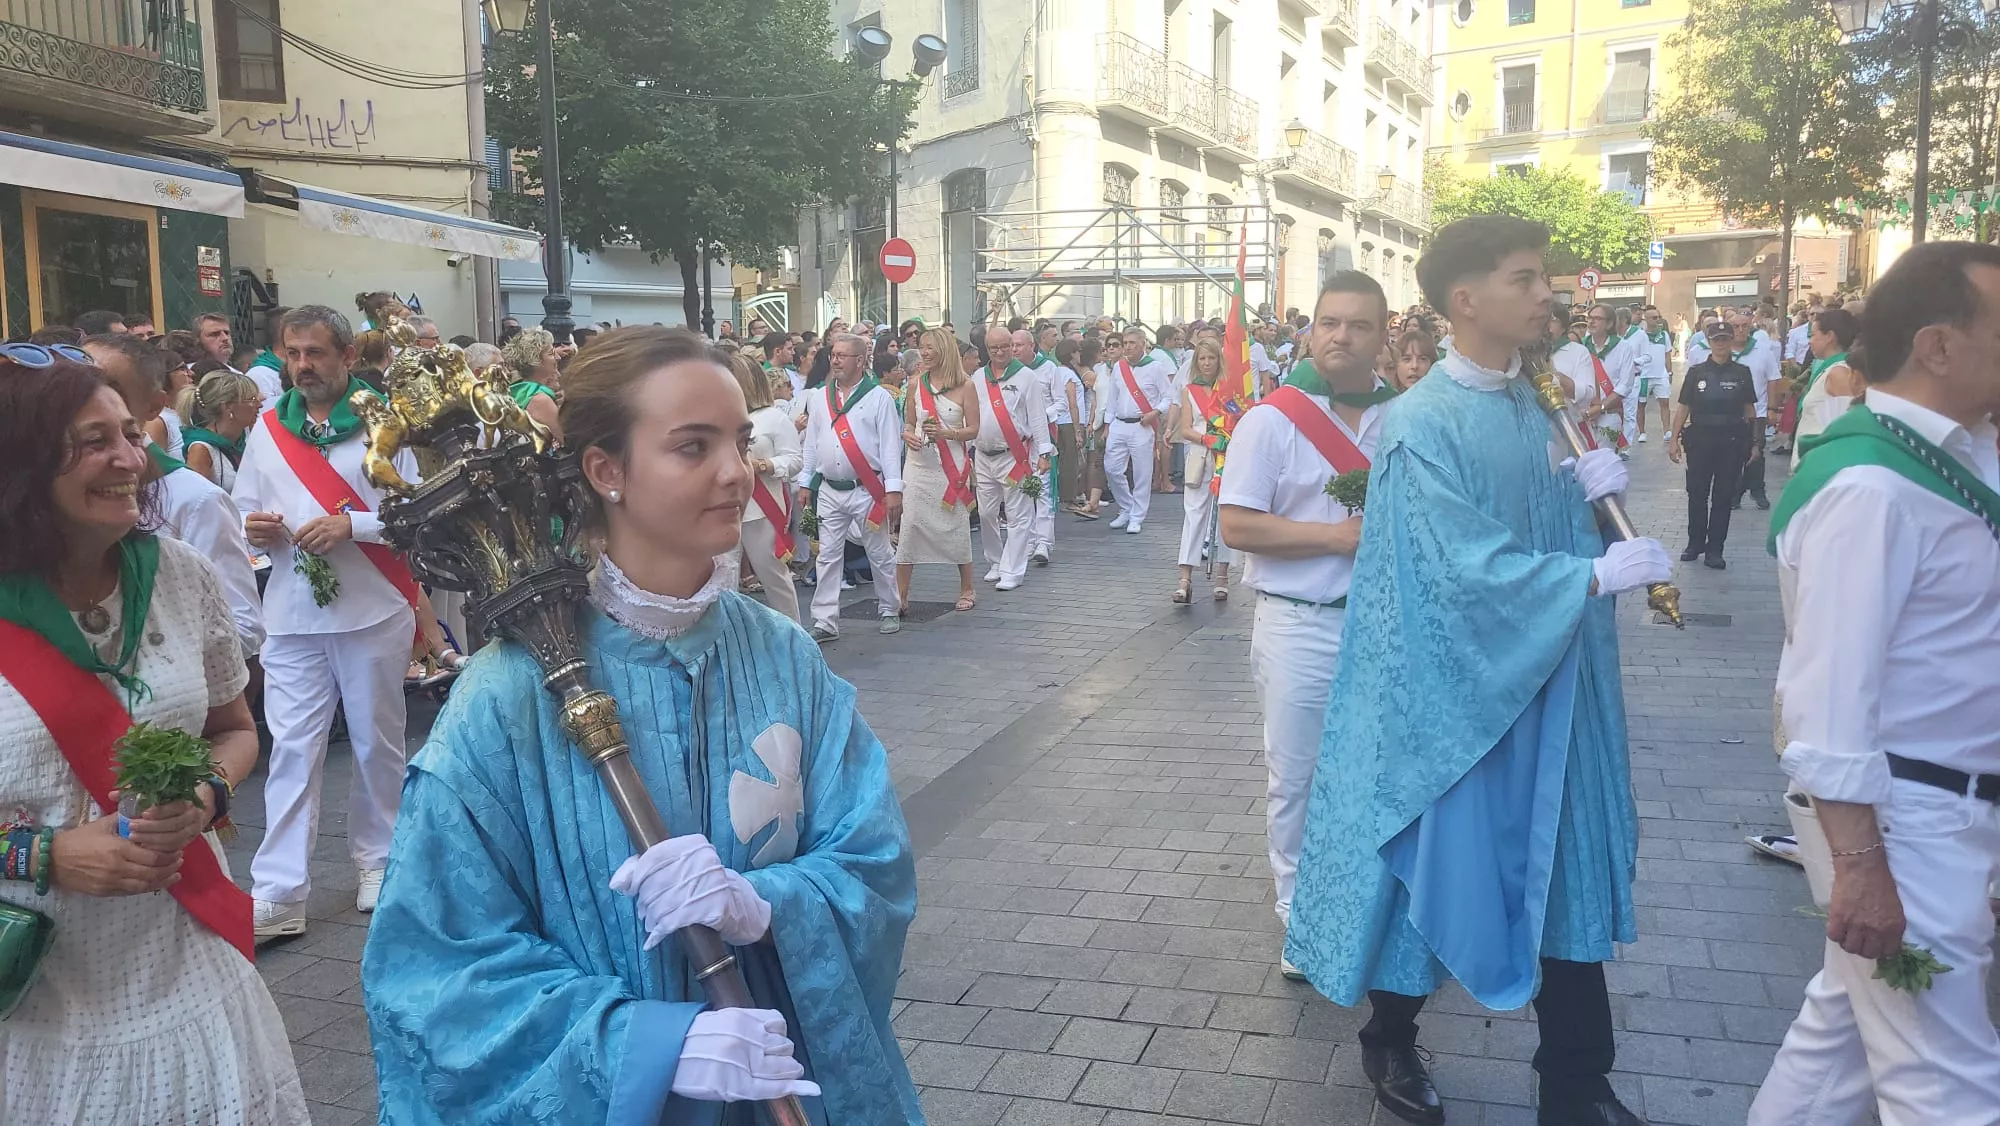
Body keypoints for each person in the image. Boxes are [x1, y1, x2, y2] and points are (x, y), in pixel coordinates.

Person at [362, 326, 923, 1123]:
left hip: (779, 1071)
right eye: (693, 447)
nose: (736, 471)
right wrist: (644, 1045)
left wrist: (764, 902)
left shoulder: (783, 655)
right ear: (605, 471)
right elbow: (432, 967)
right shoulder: (504, 697)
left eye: (738, 440)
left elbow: (874, 857)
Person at [1285, 217, 1670, 1126]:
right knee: (1442, 870)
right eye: (1524, 278)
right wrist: (1587, 577)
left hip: (1551, 678)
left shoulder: (1540, 399)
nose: (1546, 294)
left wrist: (1593, 502)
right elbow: (1450, 570)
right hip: (1458, 695)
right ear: (1465, 300)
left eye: (1544, 277)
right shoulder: (1422, 423)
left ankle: (1576, 1083)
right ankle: (1390, 1036)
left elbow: (1541, 525)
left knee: (1561, 864)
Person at [0, 349, 307, 1123]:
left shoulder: (179, 572)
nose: (131, 460)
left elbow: (235, 730)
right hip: (34, 999)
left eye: (131, 435)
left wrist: (207, 793)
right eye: (92, 442)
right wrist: (45, 855)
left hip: (191, 962)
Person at [1749, 240, 2000, 1126]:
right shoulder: (1872, 486)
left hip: (1939, 809)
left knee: (1835, 1062)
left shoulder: (1957, 456)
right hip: (1907, 821)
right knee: (1950, 1093)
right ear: (1939, 346)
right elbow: (1829, 701)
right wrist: (1860, 866)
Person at [1219, 274, 1392, 973]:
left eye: (1358, 325)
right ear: (1311, 330)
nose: (1340, 336)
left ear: (1383, 335)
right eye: (1329, 323)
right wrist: (1333, 538)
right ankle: (1301, 912)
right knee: (1297, 777)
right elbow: (1236, 525)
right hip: (1300, 625)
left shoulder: (1404, 417)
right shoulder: (1271, 421)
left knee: (1379, 772)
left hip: (1386, 627)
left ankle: (1371, 904)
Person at [233, 306, 421, 938]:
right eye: (293, 354)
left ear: (347, 355)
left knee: (376, 741)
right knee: (292, 749)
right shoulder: (268, 426)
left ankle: (379, 859)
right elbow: (243, 506)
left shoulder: (384, 418)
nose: (302, 365)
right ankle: (279, 892)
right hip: (292, 612)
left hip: (372, 606)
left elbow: (417, 511)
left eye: (314, 353)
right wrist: (256, 528)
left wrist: (352, 525)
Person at [85, 335, 264, 663]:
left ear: (154, 406)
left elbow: (243, 627)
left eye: (111, 388)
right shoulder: (49, 489)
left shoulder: (194, 499)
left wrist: (152, 668)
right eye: (76, 384)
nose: (89, 399)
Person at [795, 333, 903, 642]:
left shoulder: (879, 397)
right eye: (834, 355)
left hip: (867, 488)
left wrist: (893, 489)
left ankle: (889, 608)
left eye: (843, 355)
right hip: (830, 489)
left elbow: (890, 447)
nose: (836, 360)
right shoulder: (820, 397)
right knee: (828, 556)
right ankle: (825, 621)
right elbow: (812, 443)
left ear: (860, 360)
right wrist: (806, 481)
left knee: (879, 551)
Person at [898, 327, 981, 613]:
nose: (924, 352)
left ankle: (967, 587)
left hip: (950, 467)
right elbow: (910, 423)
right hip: (918, 467)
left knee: (956, 524)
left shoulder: (966, 386)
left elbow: (974, 429)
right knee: (910, 524)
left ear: (944, 350)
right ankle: (901, 594)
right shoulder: (915, 384)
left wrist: (948, 434)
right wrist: (907, 434)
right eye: (922, 347)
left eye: (930, 347)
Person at [1666, 323, 1757, 570]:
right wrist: (1673, 440)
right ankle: (1695, 543)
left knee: (1723, 496)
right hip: (1700, 440)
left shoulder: (1742, 373)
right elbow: (1683, 407)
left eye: (1725, 339)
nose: (1721, 344)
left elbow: (1750, 410)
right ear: (1709, 342)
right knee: (1697, 494)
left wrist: (1755, 443)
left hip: (1731, 441)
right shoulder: (1696, 373)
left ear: (1731, 341)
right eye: (1716, 339)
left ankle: (1715, 549)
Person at [968, 329, 1051, 591]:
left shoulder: (1027, 377)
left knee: (1018, 515)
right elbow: (970, 414)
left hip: (1014, 455)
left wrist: (1044, 453)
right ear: (987, 350)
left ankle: (1012, 571)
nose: (1000, 352)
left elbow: (1037, 417)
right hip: (983, 454)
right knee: (986, 512)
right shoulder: (978, 377)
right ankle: (995, 560)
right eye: (994, 348)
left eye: (1005, 346)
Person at [726, 353, 803, 624]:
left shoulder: (773, 418)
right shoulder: (721, 416)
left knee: (773, 576)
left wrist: (765, 465)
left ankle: (793, 633)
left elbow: (794, 460)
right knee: (722, 577)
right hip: (724, 505)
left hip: (761, 507)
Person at [1174, 339, 1234, 604]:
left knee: (1225, 514)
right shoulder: (1189, 391)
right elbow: (1186, 428)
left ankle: (1223, 575)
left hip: (1226, 457)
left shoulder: (1229, 392)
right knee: (1194, 514)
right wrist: (1206, 438)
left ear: (1219, 360)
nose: (1207, 363)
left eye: (1211, 358)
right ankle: (1184, 578)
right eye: (1202, 359)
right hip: (1200, 455)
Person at [1101, 330, 1171, 535]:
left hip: (1142, 426)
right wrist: (1107, 424)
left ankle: (1137, 516)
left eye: (1132, 343)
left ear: (1143, 344)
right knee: (1112, 469)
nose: (1128, 347)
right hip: (1119, 424)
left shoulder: (1155, 367)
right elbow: (1112, 398)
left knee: (1142, 473)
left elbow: (1169, 397)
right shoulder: (1119, 367)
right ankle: (1126, 507)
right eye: (1125, 343)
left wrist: (1155, 412)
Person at [1790, 307, 1862, 470]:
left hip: (1820, 465)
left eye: (1813, 335)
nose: (1810, 341)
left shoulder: (1839, 373)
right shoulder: (1830, 369)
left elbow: (1845, 426)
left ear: (1829, 336)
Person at [177, 368, 263, 491]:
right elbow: (199, 499)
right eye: (252, 399)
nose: (260, 404)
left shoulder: (245, 438)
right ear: (228, 406)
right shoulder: (201, 449)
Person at [1733, 310, 1781, 509]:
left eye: (1744, 326)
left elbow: (1773, 379)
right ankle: (1736, 492)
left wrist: (1772, 408)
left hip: (1758, 411)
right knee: (1734, 455)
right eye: (1735, 326)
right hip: (1730, 413)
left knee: (1756, 451)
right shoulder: (1722, 350)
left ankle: (1757, 490)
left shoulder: (1762, 350)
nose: (1740, 330)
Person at [502, 327, 564, 441]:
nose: (558, 358)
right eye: (551, 353)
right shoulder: (540, 400)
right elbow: (565, 441)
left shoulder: (516, 390)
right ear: (534, 360)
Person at [1070, 339, 1108, 519]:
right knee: (1094, 460)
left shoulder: (1083, 371)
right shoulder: (1091, 374)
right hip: (1091, 420)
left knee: (1091, 460)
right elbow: (1095, 401)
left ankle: (1090, 497)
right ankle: (1089, 497)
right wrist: (1093, 422)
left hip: (1090, 419)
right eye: (1102, 350)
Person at [1631, 305, 1673, 442]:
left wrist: (1669, 372)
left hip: (1661, 375)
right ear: (1647, 319)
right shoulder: (1640, 335)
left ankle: (1667, 431)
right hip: (1644, 375)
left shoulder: (1664, 335)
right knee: (1641, 404)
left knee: (1665, 402)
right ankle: (1642, 432)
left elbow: (1667, 355)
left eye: (1659, 317)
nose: (1658, 320)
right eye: (1654, 318)